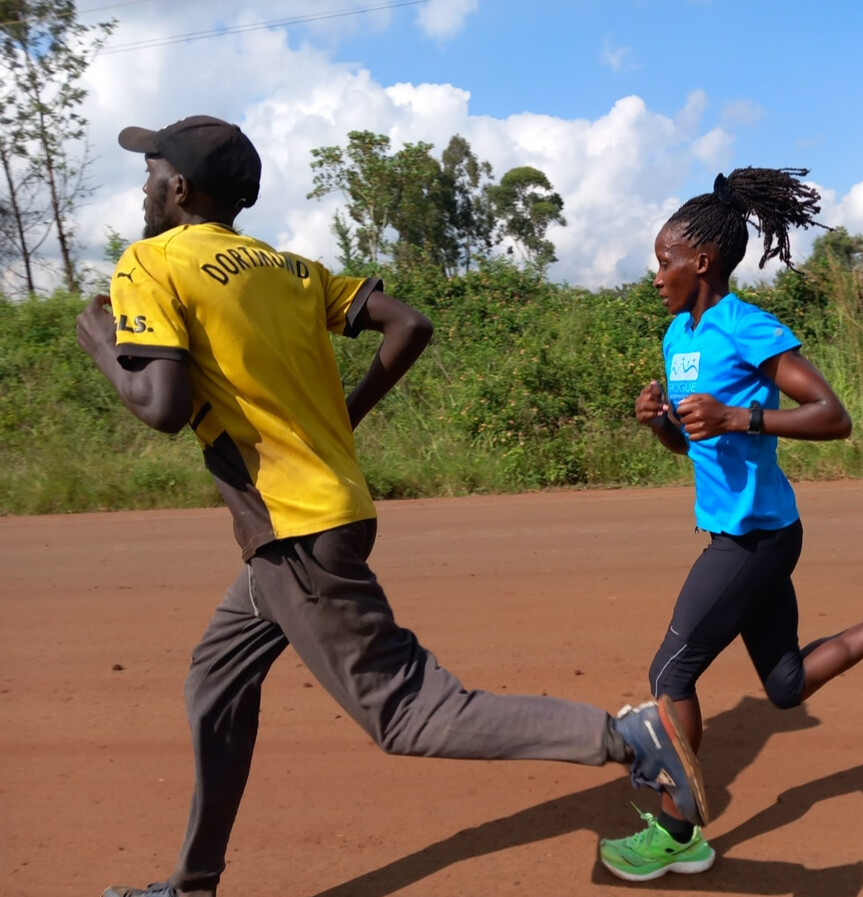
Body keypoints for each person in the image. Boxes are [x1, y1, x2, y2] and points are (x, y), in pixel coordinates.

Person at [75, 115, 707, 897]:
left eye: (150, 172)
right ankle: (193, 883)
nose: (143, 187)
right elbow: (409, 322)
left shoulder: (153, 262)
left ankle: (627, 735)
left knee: (406, 711)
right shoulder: (289, 268)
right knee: (216, 681)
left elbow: (163, 405)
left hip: (294, 534)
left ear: (178, 188)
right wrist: (345, 417)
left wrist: (100, 341)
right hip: (321, 519)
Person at [597, 167, 863, 882]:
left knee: (669, 672)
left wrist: (739, 415)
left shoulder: (745, 326)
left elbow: (833, 417)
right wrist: (661, 423)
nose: (656, 276)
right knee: (784, 685)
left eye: (665, 262)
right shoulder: (678, 334)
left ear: (702, 261)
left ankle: (679, 832)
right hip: (747, 533)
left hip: (756, 538)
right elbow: (692, 445)